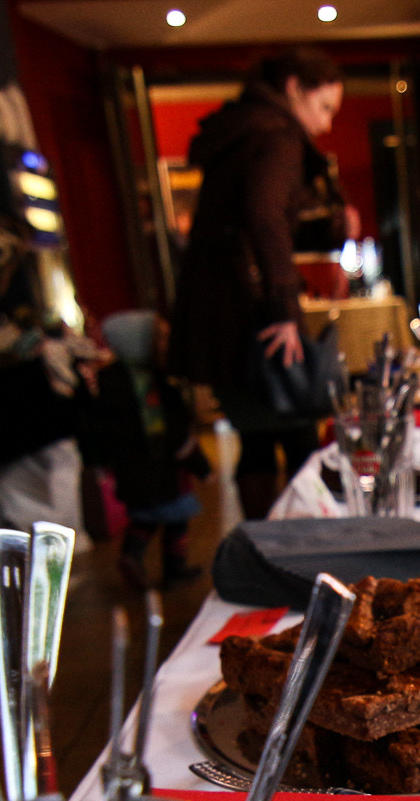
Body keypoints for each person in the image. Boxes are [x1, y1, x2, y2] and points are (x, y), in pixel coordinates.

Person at [168, 47, 357, 520]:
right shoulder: (277, 135)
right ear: (294, 89)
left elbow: (258, 220)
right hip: (249, 310)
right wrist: (283, 309)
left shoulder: (245, 128)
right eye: (324, 107)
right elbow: (264, 216)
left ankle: (270, 543)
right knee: (298, 433)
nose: (326, 124)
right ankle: (305, 547)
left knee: (256, 437)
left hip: (221, 312)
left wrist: (333, 228)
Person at [86, 310, 205, 589]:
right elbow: (175, 432)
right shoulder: (155, 383)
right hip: (162, 470)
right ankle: (172, 569)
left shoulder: (109, 381)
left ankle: (134, 555)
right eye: (160, 338)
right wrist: (200, 466)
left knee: (146, 518)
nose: (166, 344)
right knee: (175, 519)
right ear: (138, 341)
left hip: (132, 471)